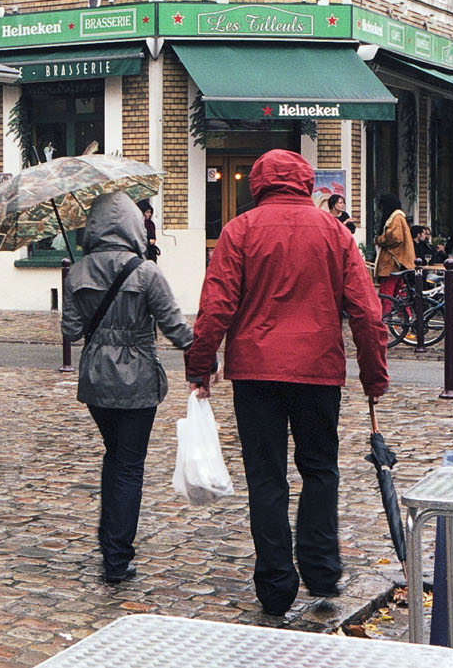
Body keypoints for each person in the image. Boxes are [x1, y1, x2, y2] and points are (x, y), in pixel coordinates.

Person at [184, 149, 389, 617]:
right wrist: (373, 374)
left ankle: (276, 583)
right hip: (317, 369)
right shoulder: (334, 232)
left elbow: (215, 307)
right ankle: (320, 567)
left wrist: (201, 366)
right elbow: (365, 310)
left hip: (255, 372)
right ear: (305, 182)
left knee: (266, 476)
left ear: (258, 183)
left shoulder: (240, 230)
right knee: (319, 468)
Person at [60, 192, 192, 584]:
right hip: (137, 379)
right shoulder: (146, 272)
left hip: (97, 379)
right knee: (129, 465)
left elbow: (70, 330)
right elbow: (175, 327)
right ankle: (117, 557)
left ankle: (108, 539)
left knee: (114, 455)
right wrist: (203, 355)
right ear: (134, 226)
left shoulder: (77, 272)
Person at [372, 195, 413, 299]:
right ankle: (406, 314)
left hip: (391, 260)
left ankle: (385, 314)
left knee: (387, 291)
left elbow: (395, 237)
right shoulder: (400, 218)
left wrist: (379, 240)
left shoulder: (395, 218)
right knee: (399, 290)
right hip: (398, 260)